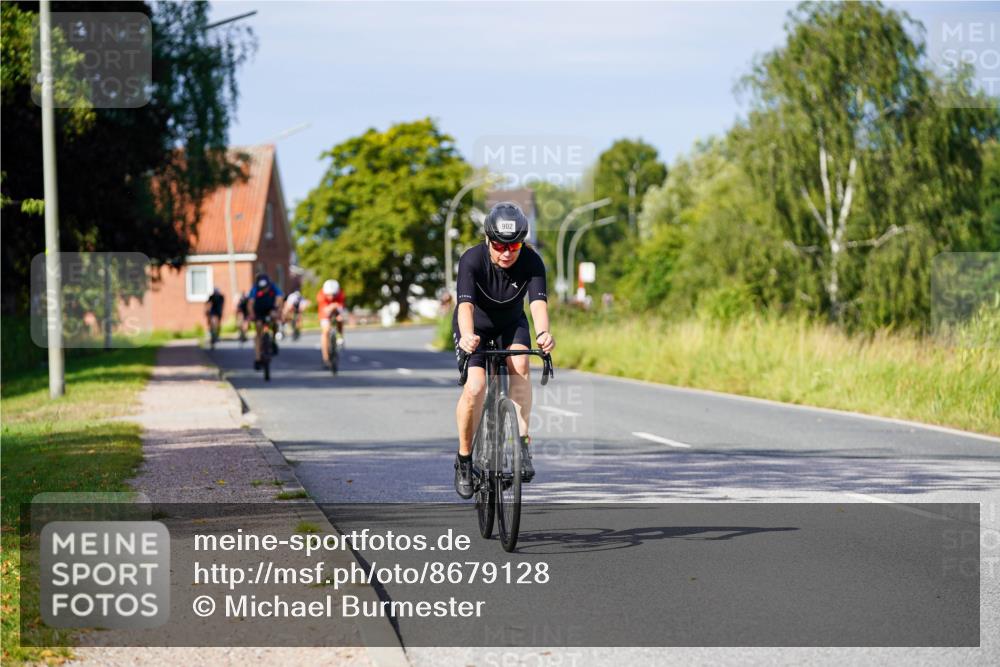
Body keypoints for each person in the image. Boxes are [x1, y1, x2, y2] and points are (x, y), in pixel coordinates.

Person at [452, 202, 555, 499]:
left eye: (515, 245)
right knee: (476, 387)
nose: (507, 252)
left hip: (511, 324)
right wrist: (468, 336)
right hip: (476, 327)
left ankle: (522, 443)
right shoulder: (471, 260)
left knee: (521, 366)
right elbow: (465, 306)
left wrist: (544, 333)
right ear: (488, 240)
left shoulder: (532, 261)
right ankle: (464, 459)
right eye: (500, 245)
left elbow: (537, 303)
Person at [248, 273, 283, 370]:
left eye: (266, 288)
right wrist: (251, 314)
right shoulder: (254, 289)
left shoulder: (273, 288)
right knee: (258, 331)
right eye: (262, 288)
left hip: (270, 309)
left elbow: (279, 299)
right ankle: (258, 358)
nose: (264, 290)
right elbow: (250, 303)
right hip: (259, 311)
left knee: (274, 319)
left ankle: (274, 339)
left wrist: (278, 311)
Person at [316, 279, 345, 368]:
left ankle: (340, 336)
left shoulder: (340, 294)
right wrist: (331, 307)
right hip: (325, 312)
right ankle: (326, 357)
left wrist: (337, 311)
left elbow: (341, 307)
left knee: (340, 319)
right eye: (329, 295)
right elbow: (324, 310)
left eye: (333, 295)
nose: (331, 297)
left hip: (336, 310)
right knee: (326, 330)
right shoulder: (321, 295)